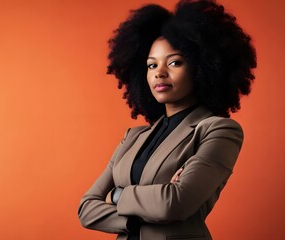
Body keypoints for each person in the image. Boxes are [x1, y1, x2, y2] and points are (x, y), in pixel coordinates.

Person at [78, 0, 256, 239]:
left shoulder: (219, 131)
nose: (159, 72)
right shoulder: (133, 137)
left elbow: (174, 203)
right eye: (152, 65)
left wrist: (117, 195)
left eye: (174, 62)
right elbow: (87, 209)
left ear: (201, 67)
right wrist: (135, 221)